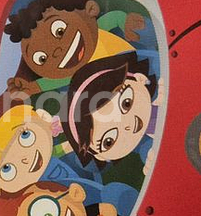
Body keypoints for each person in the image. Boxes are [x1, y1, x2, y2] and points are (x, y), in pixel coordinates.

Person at [0, 104, 138, 216]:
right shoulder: (31, 197)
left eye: (25, 135)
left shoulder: (52, 155)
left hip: (90, 185)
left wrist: (86, 144)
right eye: (7, 169)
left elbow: (65, 149)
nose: (24, 159)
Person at [3, 0, 145, 96]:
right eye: (42, 58)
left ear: (91, 9)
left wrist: (125, 22)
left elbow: (114, 18)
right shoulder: (70, 72)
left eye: (60, 31)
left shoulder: (99, 32)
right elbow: (57, 80)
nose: (56, 51)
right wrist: (32, 87)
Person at [64, 52, 159, 180]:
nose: (126, 125)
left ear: (139, 78)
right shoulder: (146, 155)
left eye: (126, 103)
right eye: (108, 142)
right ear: (100, 156)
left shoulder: (161, 82)